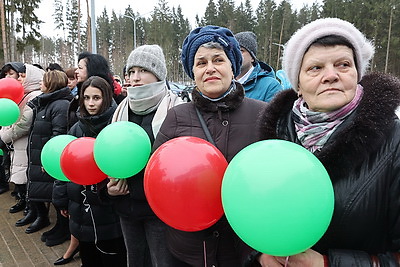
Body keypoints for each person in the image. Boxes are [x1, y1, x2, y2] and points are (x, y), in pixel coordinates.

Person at [250, 18, 400, 266]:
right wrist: (263, 255)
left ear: (357, 74)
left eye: (342, 64)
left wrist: (328, 264)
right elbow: (258, 214)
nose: (330, 76)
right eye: (315, 68)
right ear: (297, 84)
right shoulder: (274, 140)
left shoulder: (393, 141)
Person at [152, 25, 266, 266]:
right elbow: (156, 177)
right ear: (193, 72)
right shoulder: (176, 117)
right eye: (201, 62)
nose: (210, 68)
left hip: (246, 248)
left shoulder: (263, 114)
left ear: (232, 67)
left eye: (218, 60)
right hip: (190, 250)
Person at [106, 44, 186, 266]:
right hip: (126, 206)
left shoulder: (176, 110)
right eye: (131, 72)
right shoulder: (120, 110)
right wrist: (110, 185)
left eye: (143, 70)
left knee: (162, 261)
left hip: (159, 210)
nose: (135, 77)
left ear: (158, 74)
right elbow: (111, 154)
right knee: (135, 260)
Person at [53, 76, 126, 267]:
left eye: (96, 98)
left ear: (107, 98)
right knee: (89, 258)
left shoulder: (116, 126)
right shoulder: (77, 127)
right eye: (86, 98)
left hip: (109, 212)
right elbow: (65, 164)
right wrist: (61, 199)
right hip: (80, 209)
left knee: (112, 257)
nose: (91, 103)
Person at [19, 70, 73, 235]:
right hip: (39, 154)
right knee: (43, 189)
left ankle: (61, 226)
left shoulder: (60, 105)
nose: (40, 83)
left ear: (51, 83)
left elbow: (59, 133)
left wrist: (50, 158)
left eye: (44, 80)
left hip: (47, 157)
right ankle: (42, 217)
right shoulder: (46, 102)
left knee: (54, 192)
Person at [0, 64, 43, 217]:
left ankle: (33, 209)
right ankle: (24, 203)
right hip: (16, 142)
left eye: (22, 75)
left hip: (24, 141)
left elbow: (24, 123)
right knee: (19, 172)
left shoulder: (35, 95)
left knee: (25, 174)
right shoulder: (21, 94)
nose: (19, 79)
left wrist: (4, 137)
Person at [234, 31, 283, 102]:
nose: (236, 54)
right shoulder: (223, 83)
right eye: (233, 51)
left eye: (241, 51)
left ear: (252, 58)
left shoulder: (271, 86)